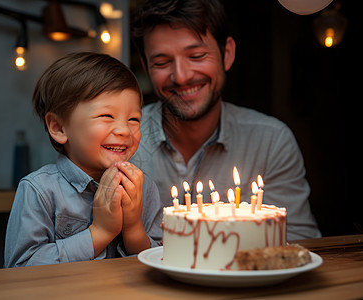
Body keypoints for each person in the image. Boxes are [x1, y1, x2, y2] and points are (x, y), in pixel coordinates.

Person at [130, 0, 321, 241]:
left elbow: (297, 241)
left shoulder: (271, 141)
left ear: (227, 54)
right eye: (162, 63)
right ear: (146, 68)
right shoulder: (123, 141)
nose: (181, 76)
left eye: (197, 55)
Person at [4, 52, 162, 268]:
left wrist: (133, 228)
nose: (125, 130)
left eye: (134, 119)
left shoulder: (143, 188)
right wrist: (99, 232)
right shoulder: (39, 190)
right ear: (59, 128)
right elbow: (19, 269)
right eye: (107, 116)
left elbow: (162, 261)